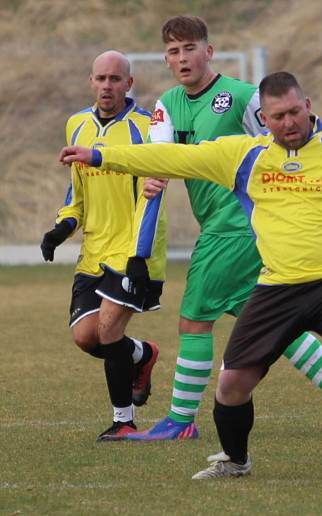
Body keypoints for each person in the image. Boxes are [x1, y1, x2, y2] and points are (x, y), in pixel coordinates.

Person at [59, 71, 322, 479]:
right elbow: (173, 157)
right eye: (278, 117)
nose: (289, 123)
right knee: (231, 386)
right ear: (264, 119)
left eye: (295, 112)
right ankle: (236, 461)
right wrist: (100, 156)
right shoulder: (246, 156)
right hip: (278, 283)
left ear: (308, 106)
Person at [127, 16, 322, 441]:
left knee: (194, 319)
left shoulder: (244, 97)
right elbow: (160, 150)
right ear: (166, 59)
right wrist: (155, 171)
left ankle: (180, 421)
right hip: (224, 227)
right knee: (267, 321)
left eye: (189, 48)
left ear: (208, 52)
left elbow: (290, 137)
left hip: (235, 227)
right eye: (173, 51)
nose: (182, 57)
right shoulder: (167, 103)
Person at [41, 50, 165, 441]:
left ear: (129, 84)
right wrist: (62, 227)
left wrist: (140, 254)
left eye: (115, 79)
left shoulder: (146, 128)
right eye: (101, 78)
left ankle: (124, 421)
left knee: (109, 330)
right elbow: (76, 190)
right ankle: (141, 355)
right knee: (86, 337)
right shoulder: (76, 124)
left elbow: (153, 195)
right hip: (93, 250)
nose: (107, 85)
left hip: (131, 250)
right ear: (91, 82)